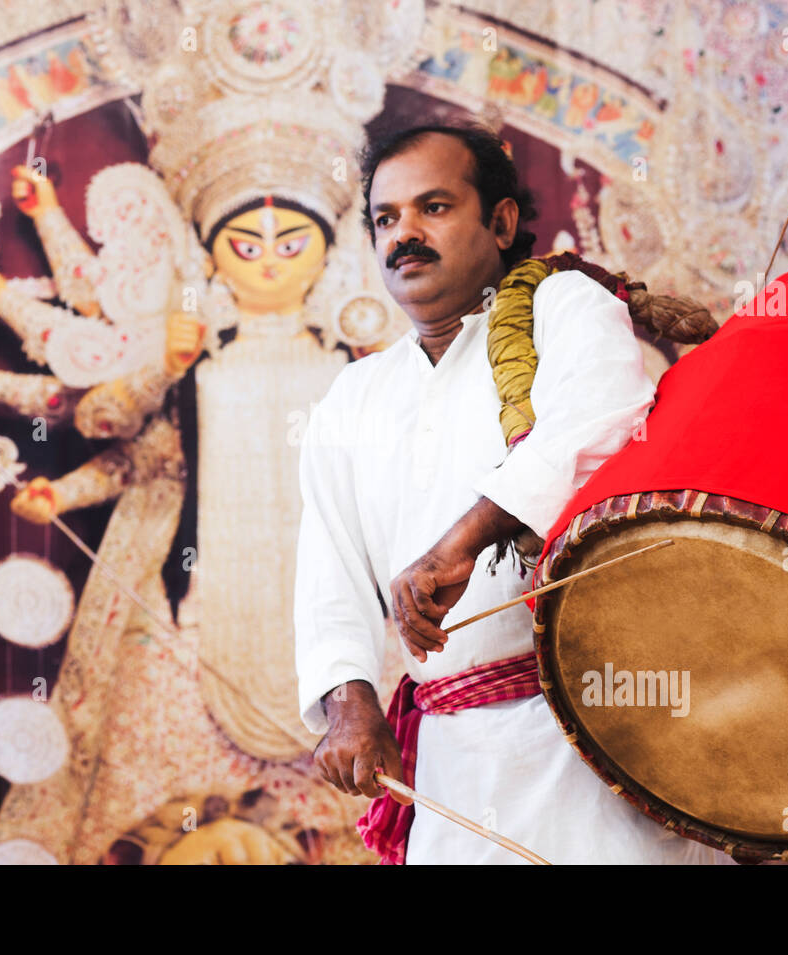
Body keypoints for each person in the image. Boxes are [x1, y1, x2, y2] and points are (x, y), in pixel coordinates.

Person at [294, 122, 727, 864]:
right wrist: (350, 700)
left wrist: (461, 541)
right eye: (385, 218)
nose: (405, 236)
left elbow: (601, 421)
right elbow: (328, 566)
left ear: (500, 222)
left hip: (598, 737)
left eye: (433, 207)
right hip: (453, 770)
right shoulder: (352, 397)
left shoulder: (565, 308)